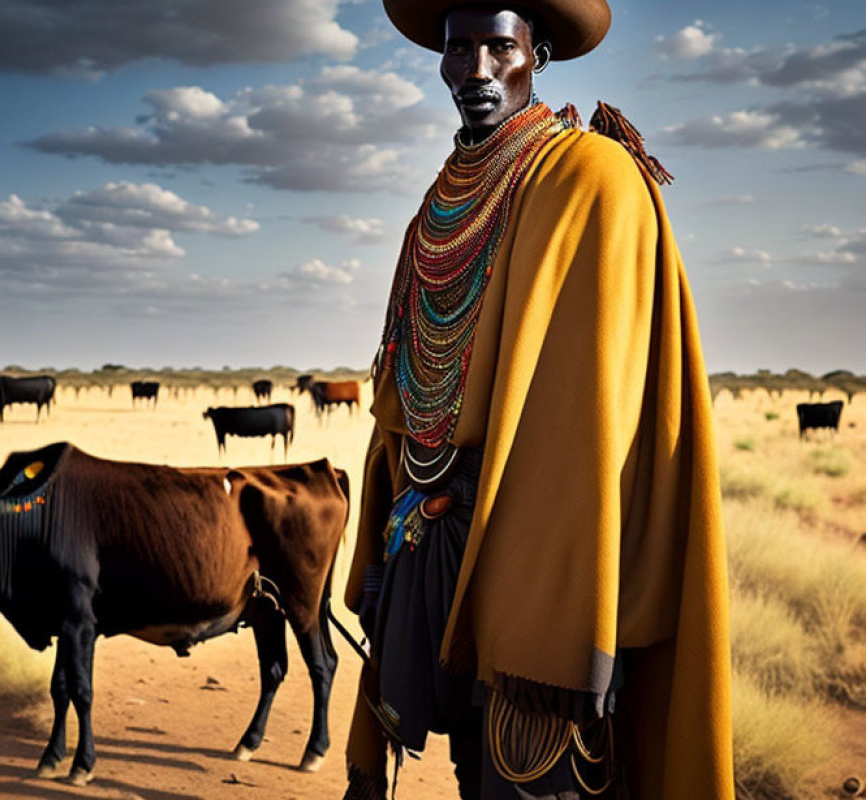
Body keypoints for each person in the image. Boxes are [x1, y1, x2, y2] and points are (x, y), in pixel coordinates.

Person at [341, 1, 735, 799]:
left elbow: (597, 414)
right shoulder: (438, 203)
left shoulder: (594, 177)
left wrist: (570, 601)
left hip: (543, 555)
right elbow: (405, 388)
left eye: (499, 48)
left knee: (532, 775)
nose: (476, 72)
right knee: (467, 769)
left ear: (539, 55)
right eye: (459, 50)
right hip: (432, 546)